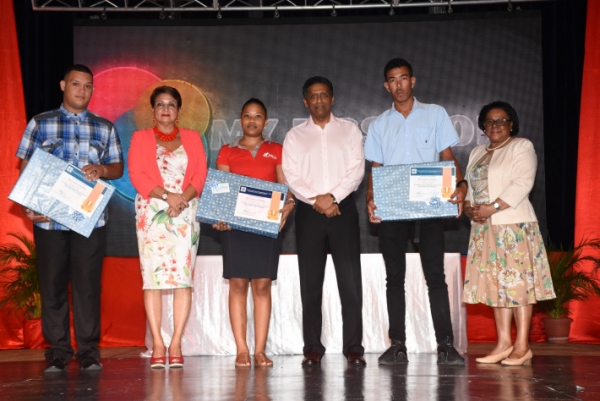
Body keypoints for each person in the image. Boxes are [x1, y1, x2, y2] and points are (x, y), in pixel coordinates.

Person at [15, 64, 124, 372]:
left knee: (88, 286)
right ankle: (59, 351)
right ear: (63, 84)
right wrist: (27, 204)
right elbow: (24, 166)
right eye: (76, 84)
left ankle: (88, 350)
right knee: (52, 285)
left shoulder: (104, 127)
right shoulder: (40, 123)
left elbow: (117, 167)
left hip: (90, 218)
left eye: (88, 86)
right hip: (49, 218)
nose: (82, 90)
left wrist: (102, 170)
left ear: (92, 90)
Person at [364, 58, 466, 365]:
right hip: (394, 210)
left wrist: (459, 185)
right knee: (394, 278)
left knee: (436, 277)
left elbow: (447, 158)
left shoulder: (435, 114)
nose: (398, 85)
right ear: (386, 86)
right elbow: (376, 170)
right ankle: (397, 345)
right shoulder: (380, 124)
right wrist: (371, 199)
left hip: (429, 208)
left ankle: (445, 345)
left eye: (403, 78)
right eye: (392, 80)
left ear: (413, 81)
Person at [462, 101, 555, 366]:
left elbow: (523, 183)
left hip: (513, 226)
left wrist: (491, 208)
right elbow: (472, 186)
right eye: (490, 121)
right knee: (496, 285)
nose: (495, 125)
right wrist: (469, 208)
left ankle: (523, 346)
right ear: (482, 126)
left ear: (511, 123)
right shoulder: (478, 151)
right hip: (483, 227)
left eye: (501, 120)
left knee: (518, 286)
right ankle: (504, 343)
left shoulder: (521, 146)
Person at [282, 76, 366, 366]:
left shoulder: (350, 130)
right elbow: (291, 175)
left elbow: (357, 170)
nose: (319, 100)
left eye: (324, 95)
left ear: (332, 99)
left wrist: (333, 197)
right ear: (305, 101)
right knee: (311, 282)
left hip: (343, 212)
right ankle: (312, 347)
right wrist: (318, 200)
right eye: (313, 96)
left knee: (350, 283)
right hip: (309, 215)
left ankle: (354, 346)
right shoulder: (294, 136)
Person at [128, 85, 207, 369]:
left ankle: (175, 344)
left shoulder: (192, 138)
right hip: (151, 211)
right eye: (160, 104)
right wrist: (167, 197)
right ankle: (158, 345)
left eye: (171, 104)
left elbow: (200, 173)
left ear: (178, 111)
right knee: (153, 280)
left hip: (185, 213)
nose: (165, 109)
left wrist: (181, 200)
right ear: (153, 110)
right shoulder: (139, 137)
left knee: (182, 278)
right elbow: (136, 174)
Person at [212, 98, 295, 368]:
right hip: (235, 228)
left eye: (258, 116)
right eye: (247, 115)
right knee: (237, 284)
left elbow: (286, 187)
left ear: (266, 122)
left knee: (261, 286)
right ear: (240, 119)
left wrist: (289, 205)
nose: (252, 120)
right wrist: (220, 216)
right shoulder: (227, 151)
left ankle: (260, 350)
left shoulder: (277, 150)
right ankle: (241, 349)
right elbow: (221, 189)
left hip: (266, 226)